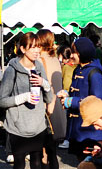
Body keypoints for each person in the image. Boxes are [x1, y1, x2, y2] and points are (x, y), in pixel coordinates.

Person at [0, 33, 53, 169]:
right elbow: (2, 101)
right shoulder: (12, 70)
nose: (37, 51)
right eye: (32, 47)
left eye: (38, 47)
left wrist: (44, 83)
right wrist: (24, 97)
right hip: (18, 127)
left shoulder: (39, 67)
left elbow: (49, 98)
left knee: (37, 162)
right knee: (19, 164)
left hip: (38, 125)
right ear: (23, 49)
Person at [57, 37, 102, 161]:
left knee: (89, 163)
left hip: (90, 131)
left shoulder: (94, 73)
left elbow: (97, 103)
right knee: (80, 161)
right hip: (78, 128)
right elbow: (81, 93)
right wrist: (67, 95)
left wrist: (71, 102)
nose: (71, 55)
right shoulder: (79, 69)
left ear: (82, 53)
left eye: (74, 52)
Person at [37, 30, 66, 167]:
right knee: (52, 150)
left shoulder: (38, 60)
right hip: (56, 105)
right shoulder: (55, 59)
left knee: (42, 150)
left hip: (44, 105)